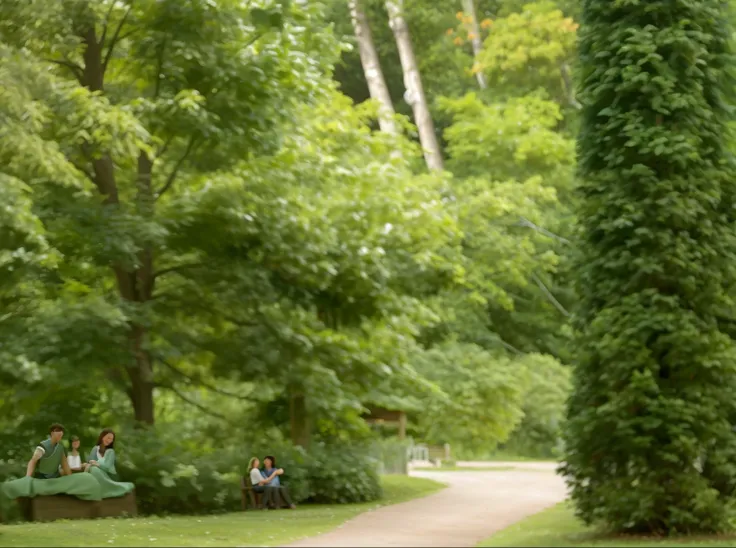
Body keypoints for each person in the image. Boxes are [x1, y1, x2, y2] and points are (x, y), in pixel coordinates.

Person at [84, 428, 135, 497]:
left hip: (109, 475)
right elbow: (90, 461)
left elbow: (107, 467)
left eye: (111, 439)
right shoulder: (95, 449)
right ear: (102, 436)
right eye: (108, 438)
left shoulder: (111, 452)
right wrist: (91, 463)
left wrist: (97, 464)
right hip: (97, 472)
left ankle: (108, 489)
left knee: (95, 469)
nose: (109, 440)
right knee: (93, 469)